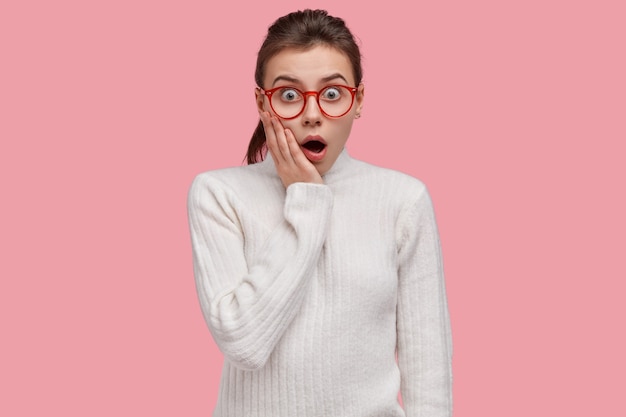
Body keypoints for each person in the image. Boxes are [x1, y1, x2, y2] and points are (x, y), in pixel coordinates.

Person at [187, 9, 452, 417]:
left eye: (331, 93)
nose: (312, 115)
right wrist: (307, 202)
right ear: (262, 102)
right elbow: (244, 343)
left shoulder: (403, 199)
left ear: (358, 100)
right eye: (289, 95)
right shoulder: (219, 195)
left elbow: (427, 365)